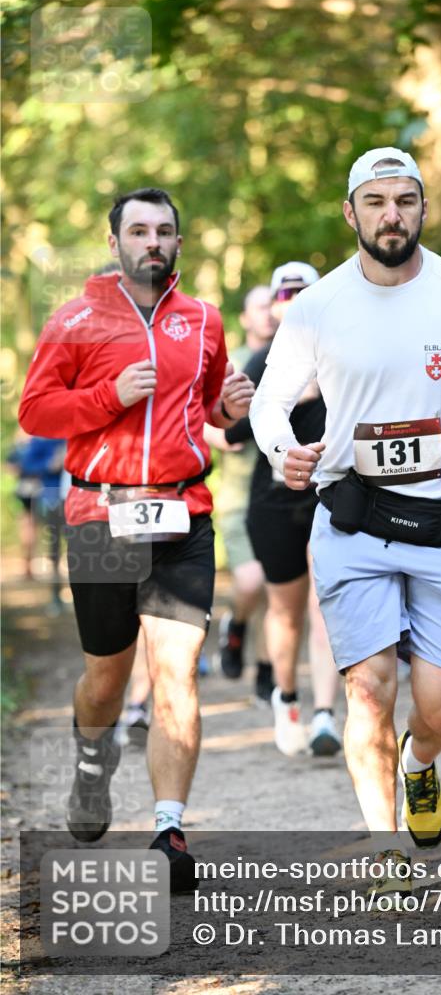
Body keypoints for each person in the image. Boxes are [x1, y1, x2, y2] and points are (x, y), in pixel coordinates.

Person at [250, 147, 441, 895]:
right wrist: (286, 452)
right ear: (350, 213)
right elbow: (267, 403)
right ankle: (388, 857)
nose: (390, 215)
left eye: (404, 200)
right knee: (369, 692)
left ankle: (419, 763)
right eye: (374, 201)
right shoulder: (317, 307)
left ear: (423, 210)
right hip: (353, 525)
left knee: (440, 710)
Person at [19, 187, 254, 891]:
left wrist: (232, 413)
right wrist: (108, 396)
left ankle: (169, 828)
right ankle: (92, 763)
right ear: (115, 240)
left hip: (183, 514)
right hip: (101, 515)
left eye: (164, 232)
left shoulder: (204, 321)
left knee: (176, 671)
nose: (152, 241)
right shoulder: (76, 321)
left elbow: (209, 409)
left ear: (179, 244)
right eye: (139, 230)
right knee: (104, 679)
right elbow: (35, 411)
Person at [226, 263, 342, 757]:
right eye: (285, 294)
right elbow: (229, 434)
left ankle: (324, 716)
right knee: (286, 611)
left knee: (324, 608)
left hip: (330, 499)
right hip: (273, 504)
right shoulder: (261, 360)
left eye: (304, 293)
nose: (293, 302)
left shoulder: (341, 355)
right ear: (274, 306)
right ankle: (287, 698)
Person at [204, 285, 276, 703]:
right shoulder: (228, 367)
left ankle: (267, 674)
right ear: (246, 318)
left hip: (279, 494)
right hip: (237, 497)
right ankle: (236, 623)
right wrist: (224, 433)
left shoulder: (298, 360)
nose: (268, 315)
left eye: (273, 306)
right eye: (259, 308)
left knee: (277, 589)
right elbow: (195, 418)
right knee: (252, 582)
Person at [8, 432, 66, 611]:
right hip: (52, 499)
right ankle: (56, 595)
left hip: (80, 499)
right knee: (54, 548)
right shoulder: (43, 439)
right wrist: (51, 463)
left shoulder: (75, 437)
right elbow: (26, 464)